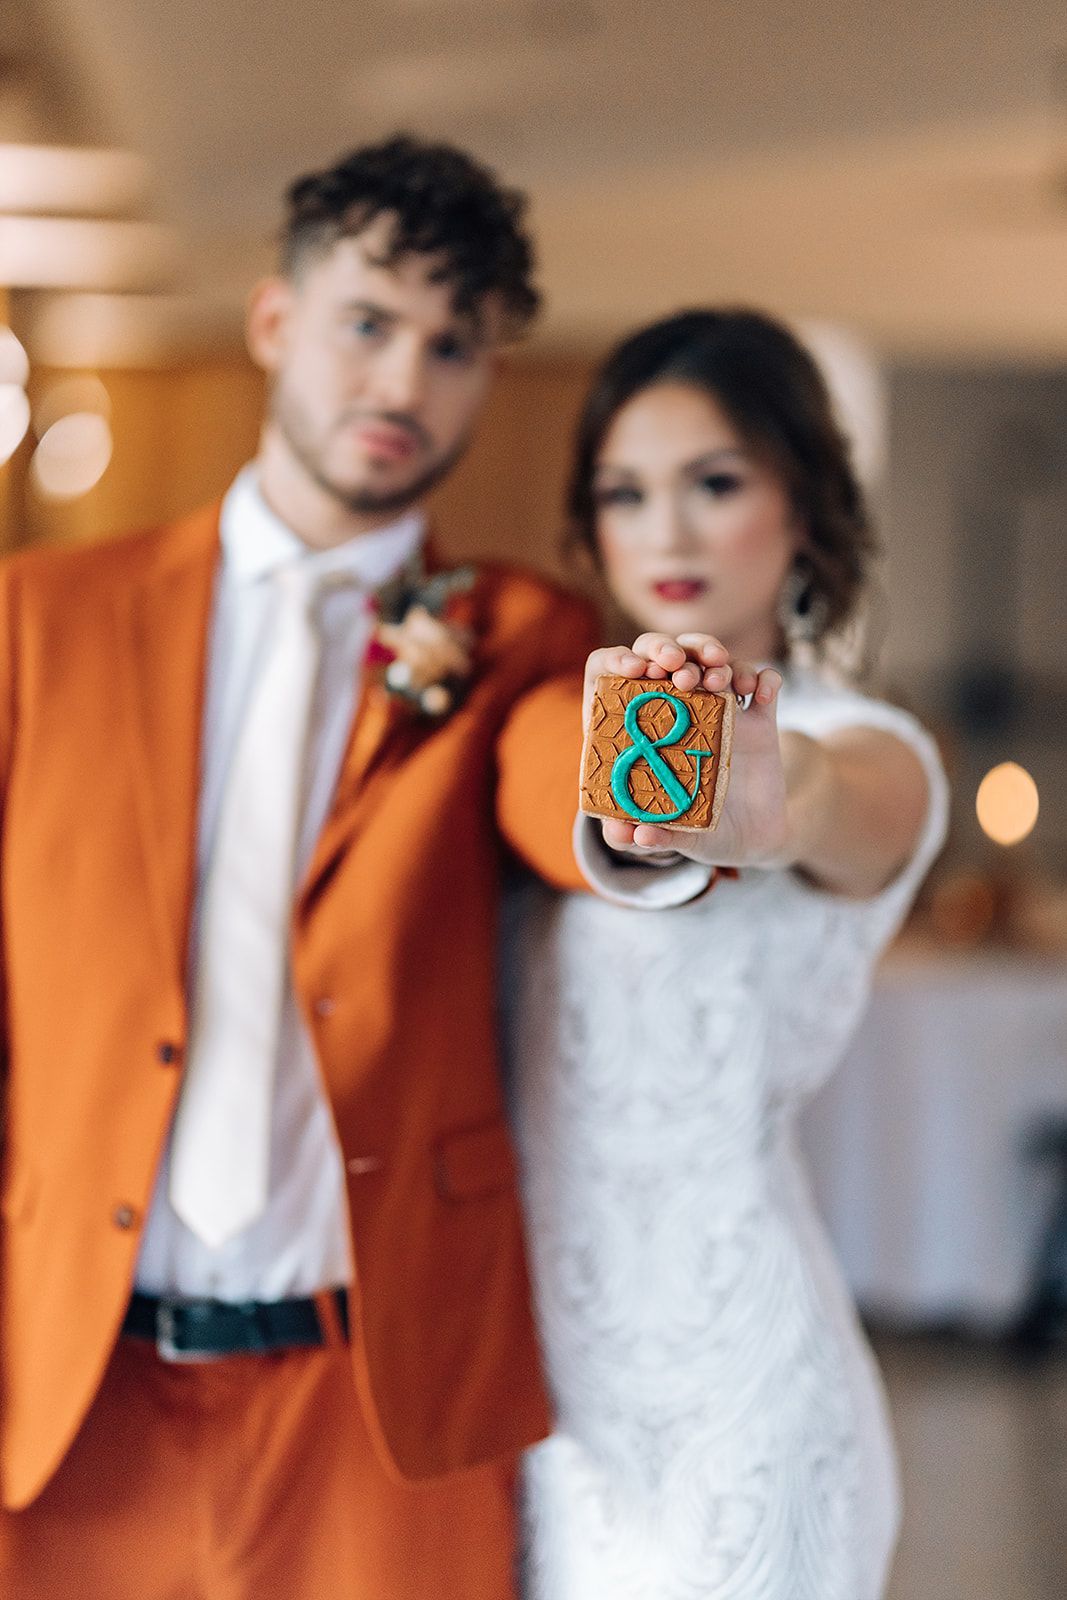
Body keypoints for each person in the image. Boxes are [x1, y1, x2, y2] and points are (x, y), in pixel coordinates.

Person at [0, 135, 701, 1600]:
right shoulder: (39, 621)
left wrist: (665, 798)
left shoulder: (523, 637)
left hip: (373, 1403)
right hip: (69, 1388)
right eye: (368, 323)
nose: (401, 383)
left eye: (453, 348)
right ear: (274, 320)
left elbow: (574, 797)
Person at [509, 309, 950, 1600]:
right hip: (542, 1409)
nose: (669, 532)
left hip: (738, 1406)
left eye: (715, 483)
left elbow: (823, 799)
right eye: (625, 493)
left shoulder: (873, 753)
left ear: (801, 504)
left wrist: (767, 808)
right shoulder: (556, 738)